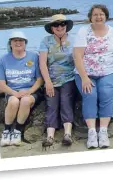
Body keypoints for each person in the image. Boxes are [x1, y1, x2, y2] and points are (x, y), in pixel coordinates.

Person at [73, 4, 113, 149]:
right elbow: (77, 56)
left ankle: (103, 132)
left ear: (106, 16)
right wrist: (85, 77)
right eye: (95, 15)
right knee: (90, 94)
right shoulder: (83, 31)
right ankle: (92, 132)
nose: (99, 17)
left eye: (101, 14)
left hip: (108, 71)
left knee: (106, 92)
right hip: (85, 73)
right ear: (90, 18)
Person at [0, 31, 43, 147]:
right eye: (15, 40)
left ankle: (17, 132)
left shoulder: (34, 57)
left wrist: (29, 91)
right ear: (10, 43)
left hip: (32, 91)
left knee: (25, 101)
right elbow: (1, 84)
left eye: (21, 40)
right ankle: (6, 131)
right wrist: (14, 93)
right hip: (12, 91)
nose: (18, 43)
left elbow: (40, 80)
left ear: (25, 43)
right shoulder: (3, 60)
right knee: (13, 101)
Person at [39, 14, 76, 147]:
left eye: (62, 24)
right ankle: (50, 136)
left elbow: (80, 59)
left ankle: (67, 134)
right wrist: (47, 82)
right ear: (51, 28)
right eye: (56, 25)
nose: (60, 27)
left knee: (66, 101)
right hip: (52, 79)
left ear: (66, 26)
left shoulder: (75, 39)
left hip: (69, 77)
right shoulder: (45, 41)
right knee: (51, 104)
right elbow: (42, 63)